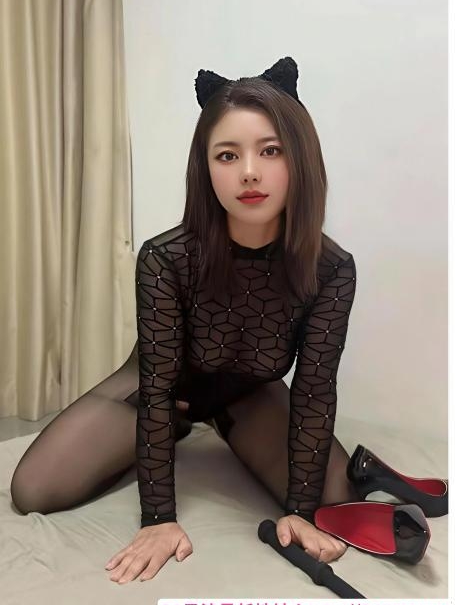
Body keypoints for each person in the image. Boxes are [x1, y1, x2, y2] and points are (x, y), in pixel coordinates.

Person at [10, 56, 364, 583]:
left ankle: (222, 422)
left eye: (270, 150)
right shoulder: (166, 258)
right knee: (34, 489)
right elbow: (156, 386)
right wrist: (159, 518)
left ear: (301, 158)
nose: (249, 171)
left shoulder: (331, 268)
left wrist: (300, 511)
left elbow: (315, 390)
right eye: (228, 154)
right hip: (161, 391)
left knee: (335, 499)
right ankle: (180, 427)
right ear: (206, 167)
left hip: (247, 393)